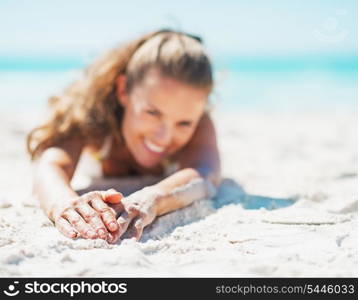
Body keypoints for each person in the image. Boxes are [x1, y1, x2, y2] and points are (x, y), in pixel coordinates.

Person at [27, 29, 221, 244]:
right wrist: (63, 203)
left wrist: (152, 198)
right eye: (152, 112)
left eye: (184, 123)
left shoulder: (199, 122)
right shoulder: (89, 112)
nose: (164, 137)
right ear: (123, 91)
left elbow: (205, 173)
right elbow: (51, 166)